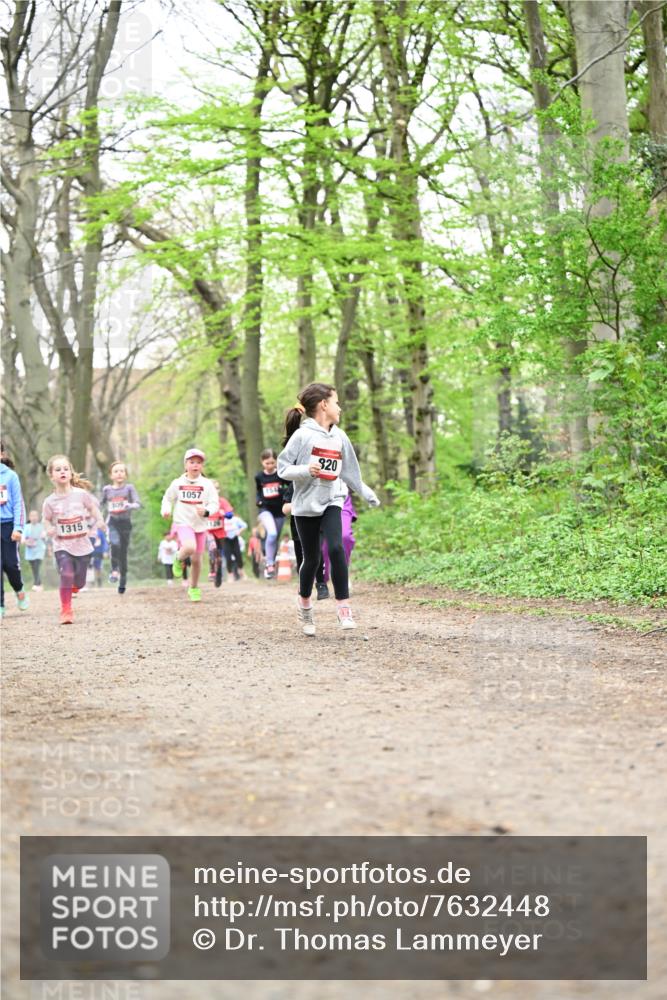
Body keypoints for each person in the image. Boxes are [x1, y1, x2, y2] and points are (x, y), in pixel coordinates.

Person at [277, 382, 381, 635]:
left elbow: (350, 472)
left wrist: (367, 493)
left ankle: (343, 607)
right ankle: (304, 602)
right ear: (324, 405)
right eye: (336, 402)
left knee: (336, 547)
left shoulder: (339, 436)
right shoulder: (302, 436)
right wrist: (305, 470)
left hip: (333, 500)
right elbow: (282, 468)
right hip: (305, 506)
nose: (340, 408)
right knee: (312, 559)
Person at [42, 455, 105, 625]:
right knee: (66, 573)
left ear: (70, 473)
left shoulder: (81, 494)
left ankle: (75, 585)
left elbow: (92, 508)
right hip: (62, 544)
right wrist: (49, 528)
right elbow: (46, 519)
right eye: (58, 469)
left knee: (80, 582)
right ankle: (66, 610)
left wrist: (99, 520)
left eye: (65, 469)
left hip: (82, 544)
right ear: (51, 476)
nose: (62, 472)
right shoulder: (49, 501)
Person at [160, 448, 219, 603]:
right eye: (192, 462)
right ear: (185, 465)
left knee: (197, 560)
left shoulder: (207, 484)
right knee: (190, 547)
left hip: (200, 524)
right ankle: (178, 557)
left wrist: (206, 511)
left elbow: (214, 503)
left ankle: (193, 587)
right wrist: (166, 509)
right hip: (183, 522)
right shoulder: (177, 483)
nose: (195, 465)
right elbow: (167, 498)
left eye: (198, 462)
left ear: (202, 466)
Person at [100, 461, 141, 594]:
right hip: (112, 522)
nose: (119, 474)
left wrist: (130, 505)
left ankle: (123, 580)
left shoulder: (129, 488)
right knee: (115, 543)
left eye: (122, 471)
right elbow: (100, 504)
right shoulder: (107, 490)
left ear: (126, 474)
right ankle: (114, 570)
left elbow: (138, 503)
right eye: (116, 471)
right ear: (111, 475)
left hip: (125, 523)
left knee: (123, 553)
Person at [0, 444, 29, 617]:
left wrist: (18, 528)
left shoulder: (10, 476)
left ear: (2, 454)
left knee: (10, 565)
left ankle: (19, 589)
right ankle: (0, 604)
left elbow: (19, 503)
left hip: (8, 526)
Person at [255, 448, 288, 579]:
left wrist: (282, 492)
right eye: (267, 463)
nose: (269, 466)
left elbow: (290, 487)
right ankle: (269, 564)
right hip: (265, 510)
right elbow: (259, 492)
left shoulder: (281, 474)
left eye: (272, 463)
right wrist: (258, 501)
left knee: (275, 538)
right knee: (272, 533)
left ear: (276, 462)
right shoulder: (259, 476)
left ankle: (271, 564)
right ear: (262, 462)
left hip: (279, 511)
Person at [320, 488, 357, 599]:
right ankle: (322, 580)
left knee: (345, 537)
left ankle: (343, 574)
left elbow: (354, 479)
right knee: (323, 545)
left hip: (340, 497)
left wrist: (367, 494)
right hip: (317, 498)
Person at [207, 482, 233, 587]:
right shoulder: (204, 501)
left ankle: (219, 574)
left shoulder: (222, 501)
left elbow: (230, 513)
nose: (215, 490)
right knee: (212, 548)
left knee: (219, 555)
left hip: (220, 532)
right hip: (208, 531)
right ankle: (212, 570)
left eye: (217, 488)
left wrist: (226, 514)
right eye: (212, 488)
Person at [23, 509, 48, 591]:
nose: (34, 518)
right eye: (32, 516)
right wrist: (26, 542)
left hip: (39, 549)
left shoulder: (41, 526)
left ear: (38, 517)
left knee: (37, 566)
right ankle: (39, 584)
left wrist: (44, 536)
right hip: (30, 551)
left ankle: (36, 584)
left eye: (35, 516)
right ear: (29, 517)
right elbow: (23, 539)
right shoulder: (26, 527)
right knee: (34, 568)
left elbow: (45, 538)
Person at [223, 510, 247, 581]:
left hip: (234, 539)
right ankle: (230, 575)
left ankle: (242, 573)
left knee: (238, 556)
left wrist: (239, 531)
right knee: (228, 558)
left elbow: (245, 525)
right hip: (226, 540)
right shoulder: (222, 520)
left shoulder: (236, 519)